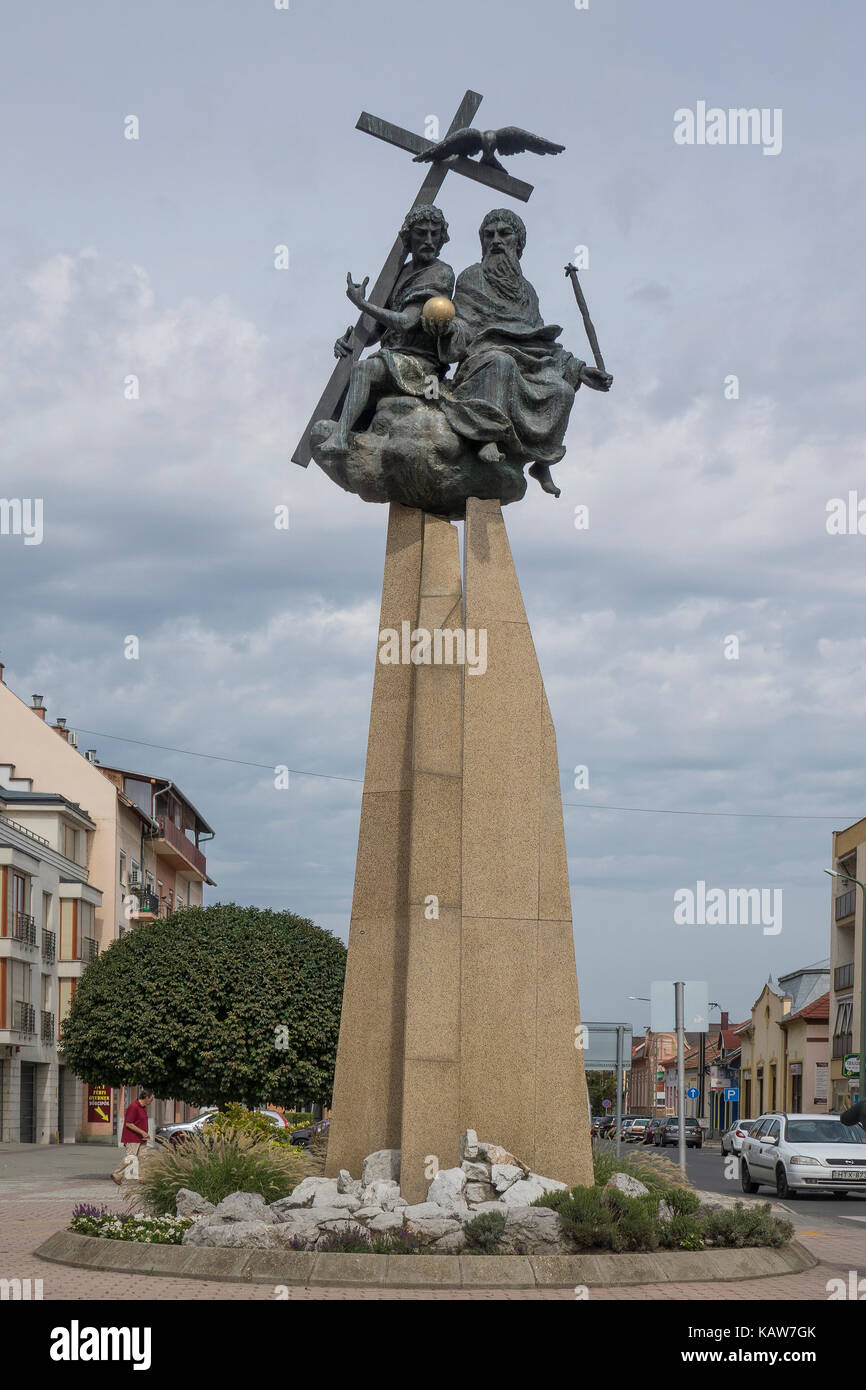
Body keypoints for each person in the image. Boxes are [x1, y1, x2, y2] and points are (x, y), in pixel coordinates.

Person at [438, 208, 612, 496]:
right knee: (500, 362)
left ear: (518, 243)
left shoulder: (527, 291)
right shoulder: (470, 278)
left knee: (561, 390)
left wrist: (580, 370)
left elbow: (541, 341)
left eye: (504, 234)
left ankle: (542, 460)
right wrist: (447, 329)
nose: (496, 241)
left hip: (528, 363)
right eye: (489, 235)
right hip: (484, 356)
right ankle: (487, 436)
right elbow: (464, 326)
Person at [329, 204, 455, 449]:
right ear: (409, 237)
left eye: (434, 233)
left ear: (442, 238)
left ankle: (340, 438)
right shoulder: (400, 272)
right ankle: (348, 432)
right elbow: (377, 331)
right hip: (392, 357)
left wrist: (362, 304)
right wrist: (351, 340)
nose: (429, 240)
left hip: (420, 363)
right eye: (421, 233)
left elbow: (407, 322)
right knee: (342, 390)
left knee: (363, 370)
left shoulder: (441, 273)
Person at [111, 1088, 153, 1185]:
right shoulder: (133, 1107)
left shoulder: (142, 1108)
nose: (151, 1100)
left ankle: (143, 1179)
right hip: (132, 1138)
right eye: (151, 1098)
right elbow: (128, 1124)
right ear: (146, 1097)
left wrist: (144, 1134)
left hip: (141, 1139)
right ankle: (116, 1175)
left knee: (144, 1158)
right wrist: (142, 1132)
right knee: (130, 1159)